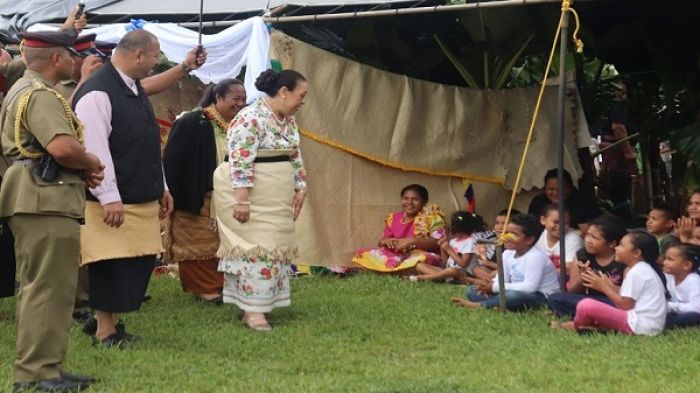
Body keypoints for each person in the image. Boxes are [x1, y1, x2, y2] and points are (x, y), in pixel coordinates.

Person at [72, 30, 205, 347]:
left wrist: (163, 185)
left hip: (141, 195)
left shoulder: (132, 88)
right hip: (113, 202)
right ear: (137, 55)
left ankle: (113, 324)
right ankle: (105, 331)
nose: (156, 62)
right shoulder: (97, 93)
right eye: (156, 55)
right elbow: (95, 151)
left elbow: (146, 143)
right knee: (111, 265)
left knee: (135, 264)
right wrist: (109, 197)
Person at [0, 30, 104, 392]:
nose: (77, 61)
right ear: (57, 59)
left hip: (38, 194)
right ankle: (37, 374)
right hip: (45, 195)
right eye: (72, 56)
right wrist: (90, 161)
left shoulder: (23, 89)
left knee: (47, 287)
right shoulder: (41, 95)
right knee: (47, 287)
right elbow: (62, 148)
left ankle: (47, 367)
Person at [213, 68, 308, 331]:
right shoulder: (250, 117)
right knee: (255, 249)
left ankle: (255, 306)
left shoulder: (288, 121)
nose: (303, 101)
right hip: (247, 192)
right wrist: (241, 199)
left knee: (275, 247)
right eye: (301, 95)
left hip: (276, 194)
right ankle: (254, 312)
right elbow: (240, 159)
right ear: (284, 92)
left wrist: (300, 187)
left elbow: (295, 155)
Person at [163, 79, 247, 303]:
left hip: (230, 196)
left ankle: (225, 285)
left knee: (225, 242)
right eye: (235, 99)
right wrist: (177, 194)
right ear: (218, 98)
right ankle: (207, 289)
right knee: (198, 243)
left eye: (244, 100)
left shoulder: (241, 125)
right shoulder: (193, 121)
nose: (240, 104)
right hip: (196, 195)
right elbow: (172, 160)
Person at [553, 231, 667, 336]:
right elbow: (626, 297)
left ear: (636, 253)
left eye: (622, 245)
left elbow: (625, 305)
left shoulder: (637, 272)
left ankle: (576, 326)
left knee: (585, 305)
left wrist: (604, 287)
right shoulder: (640, 269)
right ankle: (589, 326)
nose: (616, 248)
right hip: (644, 323)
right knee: (591, 307)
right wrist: (607, 285)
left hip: (640, 325)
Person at [451, 213, 560, 311]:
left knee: (513, 297)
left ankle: (481, 306)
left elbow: (530, 287)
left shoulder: (535, 257)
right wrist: (489, 285)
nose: (506, 237)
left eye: (514, 234)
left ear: (529, 240)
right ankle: (496, 304)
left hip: (540, 296)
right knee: (472, 291)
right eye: (507, 232)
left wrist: (494, 287)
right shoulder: (507, 254)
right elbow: (502, 279)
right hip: (513, 290)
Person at [353, 184, 446, 273]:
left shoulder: (432, 217)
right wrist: (387, 242)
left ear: (424, 201)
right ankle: (403, 271)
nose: (409, 202)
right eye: (406, 198)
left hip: (422, 255)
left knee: (419, 261)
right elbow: (381, 242)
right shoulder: (393, 217)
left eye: (415, 199)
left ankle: (389, 271)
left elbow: (439, 243)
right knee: (363, 253)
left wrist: (413, 241)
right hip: (398, 255)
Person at [546, 216, 627, 318]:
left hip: (614, 302)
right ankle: (593, 314)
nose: (588, 240)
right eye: (588, 235)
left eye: (595, 238)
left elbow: (628, 297)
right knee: (555, 299)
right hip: (589, 299)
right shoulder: (582, 256)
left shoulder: (623, 259)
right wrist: (582, 278)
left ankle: (590, 314)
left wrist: (603, 286)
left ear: (611, 243)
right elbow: (573, 292)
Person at [407, 211, 481, 283]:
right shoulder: (453, 241)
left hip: (463, 273)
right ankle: (445, 278)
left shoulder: (470, 242)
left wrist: (449, 250)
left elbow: (463, 264)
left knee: (451, 270)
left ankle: (421, 277)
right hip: (448, 271)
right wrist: (443, 249)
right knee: (420, 266)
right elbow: (445, 264)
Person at [527, 168, 599, 234]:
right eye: (550, 189)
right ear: (544, 189)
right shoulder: (538, 202)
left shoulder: (581, 203)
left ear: (570, 188)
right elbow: (531, 227)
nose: (555, 193)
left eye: (560, 189)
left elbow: (586, 232)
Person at [470, 208, 521, 281]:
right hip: (496, 271)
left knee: (497, 273)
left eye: (504, 223)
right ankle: (490, 281)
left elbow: (512, 268)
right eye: (497, 223)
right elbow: (476, 239)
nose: (499, 227)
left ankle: (480, 281)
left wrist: (490, 264)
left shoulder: (516, 244)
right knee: (477, 269)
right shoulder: (494, 239)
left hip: (510, 272)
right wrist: (481, 253)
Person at [534, 204, 583, 271]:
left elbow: (567, 269)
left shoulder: (574, 240)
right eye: (556, 222)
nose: (560, 226)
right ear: (543, 220)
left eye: (565, 223)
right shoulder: (538, 235)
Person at [663, 244, 700, 328]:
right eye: (665, 258)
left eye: (670, 259)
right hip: (677, 311)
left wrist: (670, 306)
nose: (664, 262)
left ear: (686, 265)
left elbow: (697, 308)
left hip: (694, 314)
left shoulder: (694, 280)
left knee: (692, 317)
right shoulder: (668, 276)